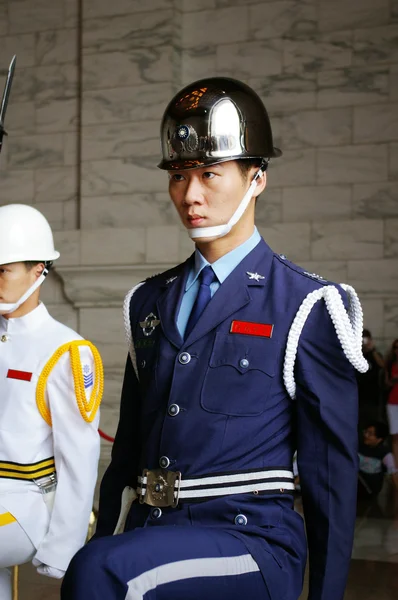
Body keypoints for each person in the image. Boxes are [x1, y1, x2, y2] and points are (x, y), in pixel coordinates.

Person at [62, 78, 368, 600]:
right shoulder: (147, 302)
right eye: (178, 176)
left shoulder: (308, 305)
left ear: (257, 178)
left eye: (209, 173)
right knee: (99, 563)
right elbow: (130, 446)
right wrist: (104, 533)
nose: (190, 194)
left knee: (105, 573)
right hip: (152, 533)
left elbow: (331, 479)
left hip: (251, 540)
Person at [0, 204, 103, 600]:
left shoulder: (66, 351)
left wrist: (64, 547)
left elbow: (79, 457)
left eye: (3, 269)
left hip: (27, 504)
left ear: (38, 269)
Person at [358, 421, 397, 504]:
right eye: (366, 432)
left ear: (379, 439)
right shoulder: (358, 446)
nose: (366, 435)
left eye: (370, 434)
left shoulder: (385, 453)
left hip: (369, 488)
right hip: (357, 481)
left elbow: (393, 474)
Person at [356, 329, 384, 425]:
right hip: (357, 396)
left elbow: (382, 365)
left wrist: (372, 350)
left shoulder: (375, 354)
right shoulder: (355, 355)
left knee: (371, 423)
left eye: (365, 339)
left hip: (372, 396)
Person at [385, 339, 398, 472]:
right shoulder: (391, 364)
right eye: (395, 348)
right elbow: (386, 383)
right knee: (394, 435)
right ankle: (396, 465)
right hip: (393, 402)